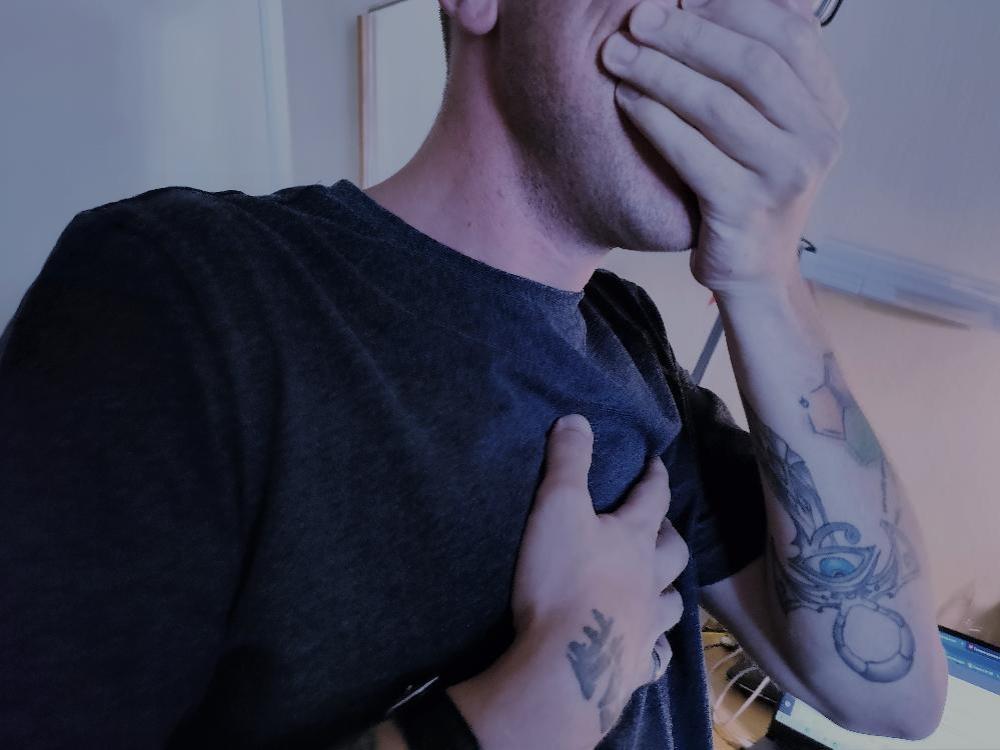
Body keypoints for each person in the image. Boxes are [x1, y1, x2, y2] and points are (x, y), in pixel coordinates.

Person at [0, 0, 947, 747]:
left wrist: (764, 272)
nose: (747, 33)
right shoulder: (178, 295)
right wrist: (543, 702)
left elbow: (893, 695)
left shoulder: (629, 340)